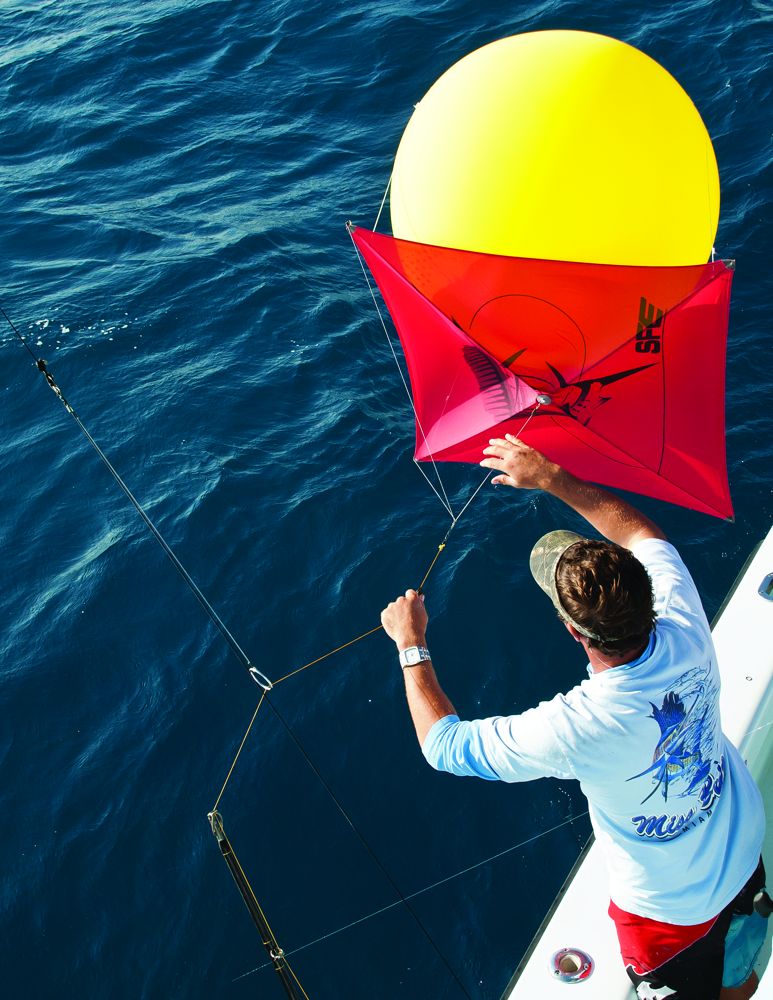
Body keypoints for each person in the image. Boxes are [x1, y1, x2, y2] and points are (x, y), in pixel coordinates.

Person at [381, 435, 767, 1000]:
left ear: (572, 631)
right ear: (646, 588)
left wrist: (410, 644)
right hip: (746, 855)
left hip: (669, 920)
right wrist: (554, 477)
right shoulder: (684, 621)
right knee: (740, 981)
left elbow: (444, 747)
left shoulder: (580, 725)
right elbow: (644, 533)